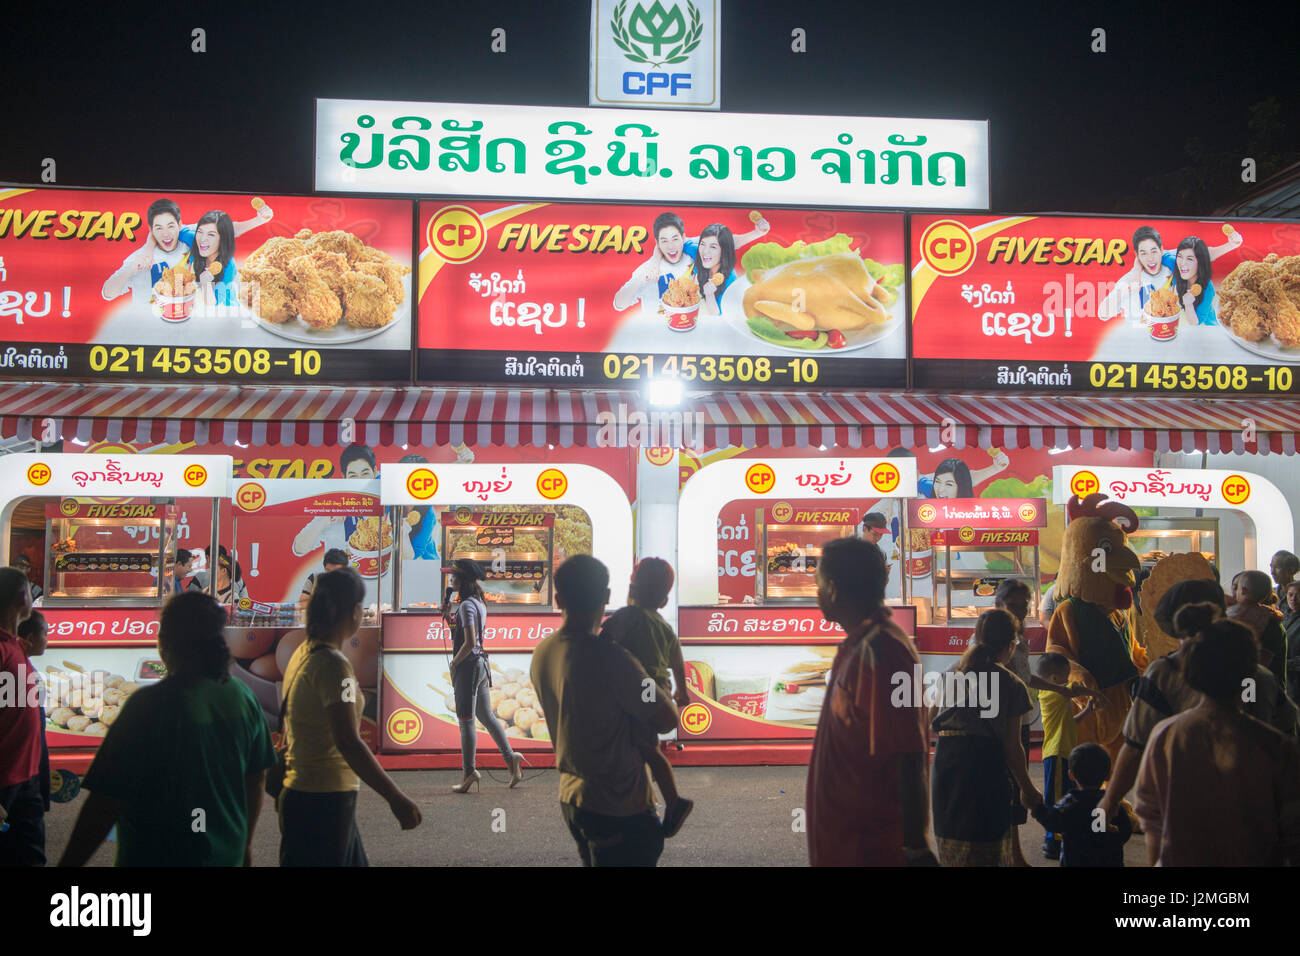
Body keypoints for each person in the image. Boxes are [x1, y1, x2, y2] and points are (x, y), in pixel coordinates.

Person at [59, 592, 277, 866]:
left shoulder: (148, 706)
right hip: (224, 857)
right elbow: (255, 780)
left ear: (168, 642)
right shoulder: (243, 698)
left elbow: (106, 800)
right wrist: (244, 845)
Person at [1098, 578, 1298, 825]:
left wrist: (1108, 803)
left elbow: (1135, 747)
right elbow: (1287, 732)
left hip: (1187, 809)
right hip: (1256, 812)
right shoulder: (1261, 676)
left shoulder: (1164, 674)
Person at [531, 555, 678, 867]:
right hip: (620, 807)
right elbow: (665, 717)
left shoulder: (544, 652)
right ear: (607, 597)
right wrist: (648, 677)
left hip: (572, 799)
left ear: (558, 599)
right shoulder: (612, 659)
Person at [1134, 605, 1300, 866]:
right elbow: (1291, 832)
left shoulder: (1165, 736)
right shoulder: (1275, 745)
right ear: (1251, 672)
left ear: (1189, 672)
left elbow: (1150, 814)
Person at [279, 568, 421, 865]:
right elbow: (348, 742)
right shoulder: (334, 667)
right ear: (354, 612)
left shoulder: (304, 652)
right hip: (323, 798)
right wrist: (395, 797)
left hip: (308, 793)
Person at [807, 536, 934, 865]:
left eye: (818, 583)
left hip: (870, 850)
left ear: (833, 588)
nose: (816, 593)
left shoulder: (884, 651)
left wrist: (915, 847)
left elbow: (908, 754)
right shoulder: (861, 644)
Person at [994, 579, 1100, 864]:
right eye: (1012, 605)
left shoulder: (1020, 642)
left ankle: (1014, 855)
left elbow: (1025, 677)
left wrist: (1060, 689)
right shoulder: (990, 641)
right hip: (999, 726)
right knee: (1005, 788)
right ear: (997, 606)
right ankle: (1008, 855)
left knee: (1013, 790)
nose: (1018, 611)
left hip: (1021, 720)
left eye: (1023, 605)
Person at [931, 607, 1042, 865]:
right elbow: (1012, 748)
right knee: (987, 851)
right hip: (984, 772)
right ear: (1011, 645)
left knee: (953, 849)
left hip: (946, 770)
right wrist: (1027, 789)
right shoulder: (1012, 683)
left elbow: (930, 720)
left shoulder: (951, 673)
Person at [600, 558, 693, 836]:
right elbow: (677, 662)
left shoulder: (628, 616)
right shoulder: (664, 626)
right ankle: (661, 799)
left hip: (641, 689)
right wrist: (682, 692)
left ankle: (673, 801)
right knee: (646, 745)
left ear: (632, 588)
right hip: (658, 691)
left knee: (642, 746)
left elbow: (603, 643)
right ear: (664, 600)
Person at [443, 559, 522, 793]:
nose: (450, 579)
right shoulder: (477, 603)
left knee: (466, 720)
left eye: (454, 576)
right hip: (479, 664)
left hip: (468, 666)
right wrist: (449, 618)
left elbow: (467, 642)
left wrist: (454, 663)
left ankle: (469, 772)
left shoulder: (467, 605)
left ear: (464, 580)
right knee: (486, 715)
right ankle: (510, 760)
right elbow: (469, 637)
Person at [1035, 652, 1096, 859]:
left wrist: (1087, 710)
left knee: (1065, 798)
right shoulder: (1051, 693)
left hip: (1063, 753)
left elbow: (1071, 722)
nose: (1068, 679)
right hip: (1056, 753)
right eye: (1065, 675)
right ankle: (1054, 842)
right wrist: (1097, 694)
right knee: (1057, 799)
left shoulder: (1060, 696)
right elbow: (1074, 689)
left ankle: (1062, 837)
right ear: (1053, 679)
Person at [1031, 742, 1131, 867]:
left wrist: (1038, 809)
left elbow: (1052, 821)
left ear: (1071, 775)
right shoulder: (1112, 805)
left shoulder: (1070, 804)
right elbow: (1126, 830)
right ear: (1108, 775)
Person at [0, 569, 41, 866]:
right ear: (20, 597)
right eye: (30, 592)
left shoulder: (15, 645)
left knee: (29, 857)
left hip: (26, 775)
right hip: (4, 778)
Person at [15, 612, 50, 822]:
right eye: (45, 633)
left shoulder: (21, 663)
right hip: (23, 770)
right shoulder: (17, 668)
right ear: (30, 638)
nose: (48, 639)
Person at [1227, 569, 1287, 689]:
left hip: (1257, 687)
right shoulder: (1268, 616)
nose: (1232, 594)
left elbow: (1260, 665)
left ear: (1243, 590)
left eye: (1236, 587)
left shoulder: (1270, 624)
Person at [695, 223, 739, 316]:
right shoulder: (695, 253)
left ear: (724, 251)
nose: (705, 251)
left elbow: (718, 317)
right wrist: (656, 259)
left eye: (713, 247)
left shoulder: (731, 282)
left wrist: (710, 295)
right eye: (702, 244)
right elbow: (680, 242)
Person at [1285, 580, 1300, 703]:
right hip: (1287, 681)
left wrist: (1284, 664)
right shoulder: (1285, 616)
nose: (1293, 599)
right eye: (1290, 594)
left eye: (1298, 595)